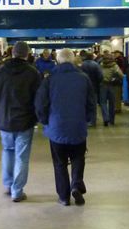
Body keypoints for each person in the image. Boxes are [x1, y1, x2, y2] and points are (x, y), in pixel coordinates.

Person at [35, 48, 96, 206]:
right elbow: (91, 102)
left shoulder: (50, 79)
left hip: (56, 128)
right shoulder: (84, 78)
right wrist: (88, 119)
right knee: (78, 158)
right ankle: (76, 184)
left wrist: (44, 120)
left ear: (58, 60)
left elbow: (41, 103)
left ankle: (63, 196)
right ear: (74, 60)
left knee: (60, 163)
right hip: (78, 127)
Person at [0, 42, 41, 202]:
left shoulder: (0, 71)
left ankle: (8, 184)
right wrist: (36, 116)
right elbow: (38, 98)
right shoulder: (33, 73)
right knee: (21, 156)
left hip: (4, 120)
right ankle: (17, 191)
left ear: (12, 53)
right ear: (27, 54)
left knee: (7, 151)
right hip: (25, 120)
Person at [99, 50, 123, 127]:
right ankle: (111, 120)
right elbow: (121, 75)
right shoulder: (114, 66)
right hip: (112, 85)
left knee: (103, 103)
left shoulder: (100, 65)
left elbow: (98, 74)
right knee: (112, 103)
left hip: (102, 85)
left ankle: (105, 118)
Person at [79, 50, 102, 126]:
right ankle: (93, 121)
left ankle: (86, 120)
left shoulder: (82, 65)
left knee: (84, 104)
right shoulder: (96, 65)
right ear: (92, 57)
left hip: (83, 87)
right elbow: (100, 76)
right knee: (93, 104)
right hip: (94, 87)